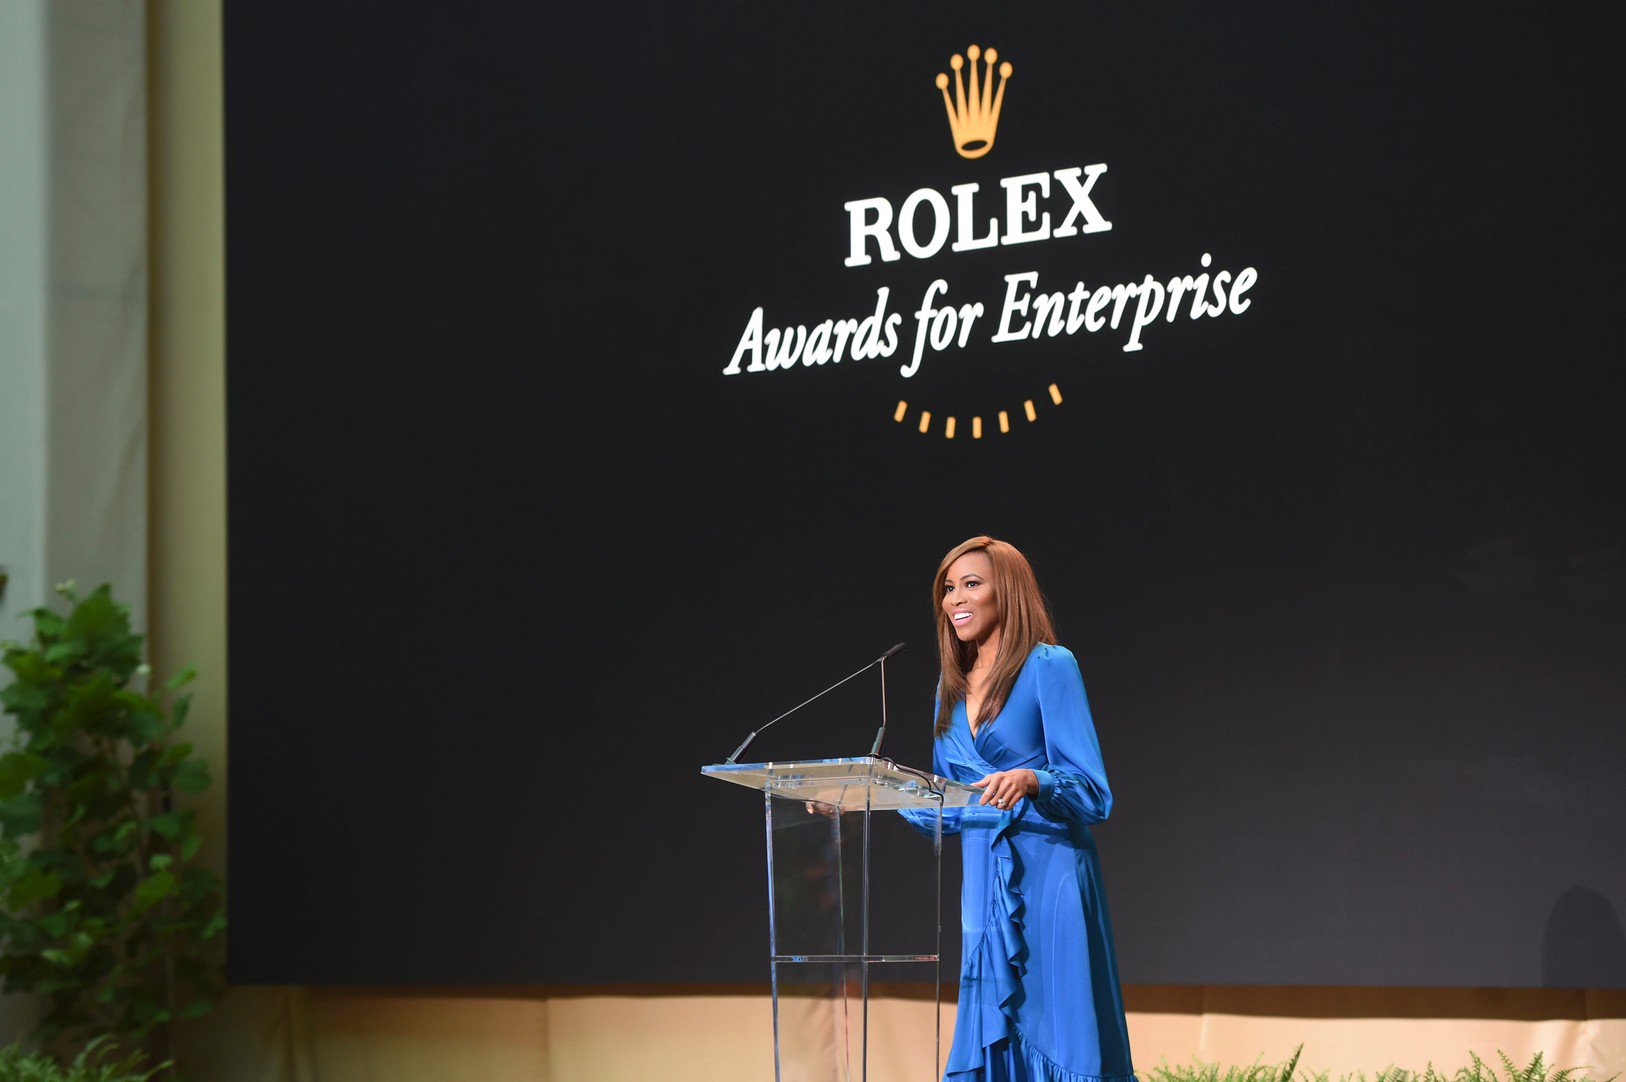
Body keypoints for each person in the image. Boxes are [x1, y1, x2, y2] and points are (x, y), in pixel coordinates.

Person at [924, 535, 1136, 1082]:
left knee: (1057, 1025)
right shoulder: (949, 688)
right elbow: (947, 802)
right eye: (949, 588)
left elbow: (1094, 794)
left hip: (1050, 874)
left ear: (1008, 592)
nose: (955, 599)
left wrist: (1033, 778)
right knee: (991, 1022)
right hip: (982, 883)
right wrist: (858, 800)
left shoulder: (1049, 665)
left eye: (971, 584)